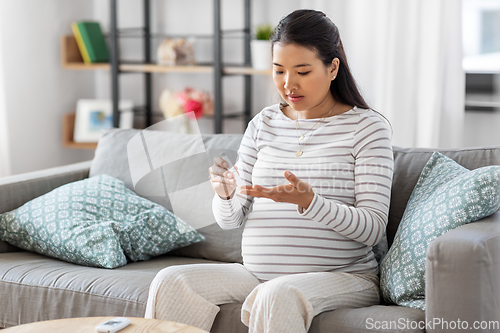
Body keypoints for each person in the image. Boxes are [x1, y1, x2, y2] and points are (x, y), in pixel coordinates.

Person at [145, 9, 393, 333]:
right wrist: (225, 194)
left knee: (278, 294)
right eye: (279, 71)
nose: (289, 84)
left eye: (303, 71)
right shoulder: (263, 123)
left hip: (343, 277)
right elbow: (231, 219)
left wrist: (311, 202)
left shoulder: (367, 127)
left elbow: (373, 228)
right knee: (171, 280)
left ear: (333, 68)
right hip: (257, 274)